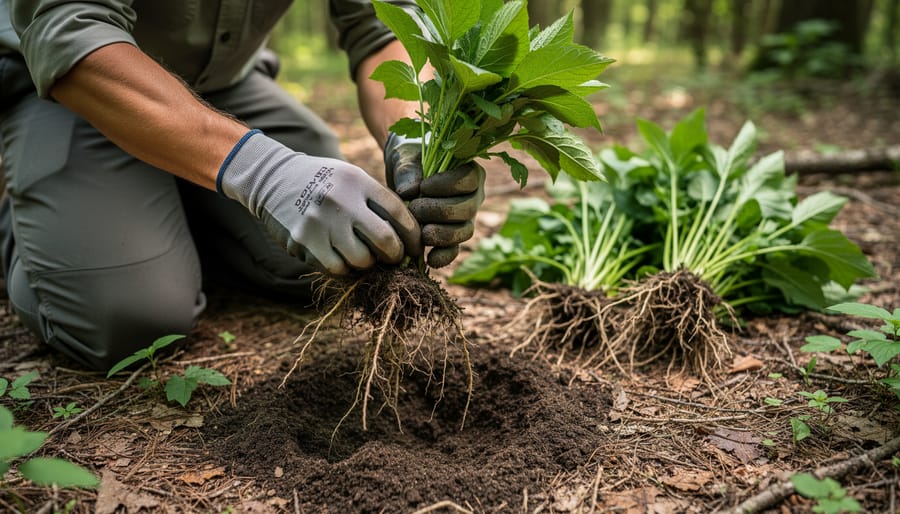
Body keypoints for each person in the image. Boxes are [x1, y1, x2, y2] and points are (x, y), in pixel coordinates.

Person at [0, 0, 485, 371]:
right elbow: (70, 25)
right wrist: (263, 173)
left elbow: (383, 28)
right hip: (83, 83)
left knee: (339, 255)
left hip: (224, 83)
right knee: (128, 319)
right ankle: (28, 225)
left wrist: (414, 134)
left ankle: (174, 195)